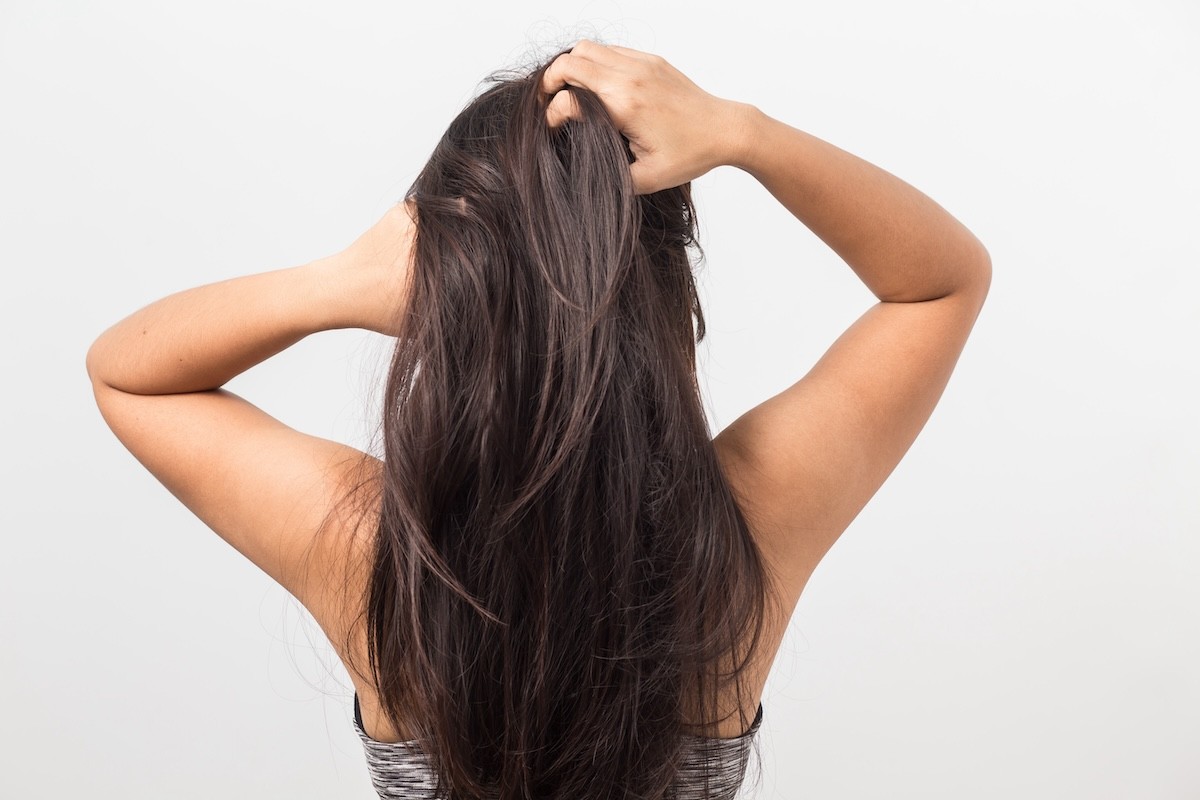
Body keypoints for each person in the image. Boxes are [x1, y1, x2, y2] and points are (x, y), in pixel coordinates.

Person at [86, 38, 990, 800]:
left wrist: (338, 281)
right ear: (666, 286)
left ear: (442, 295)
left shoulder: (375, 558)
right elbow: (941, 285)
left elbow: (129, 376)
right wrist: (741, 135)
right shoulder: (743, 535)